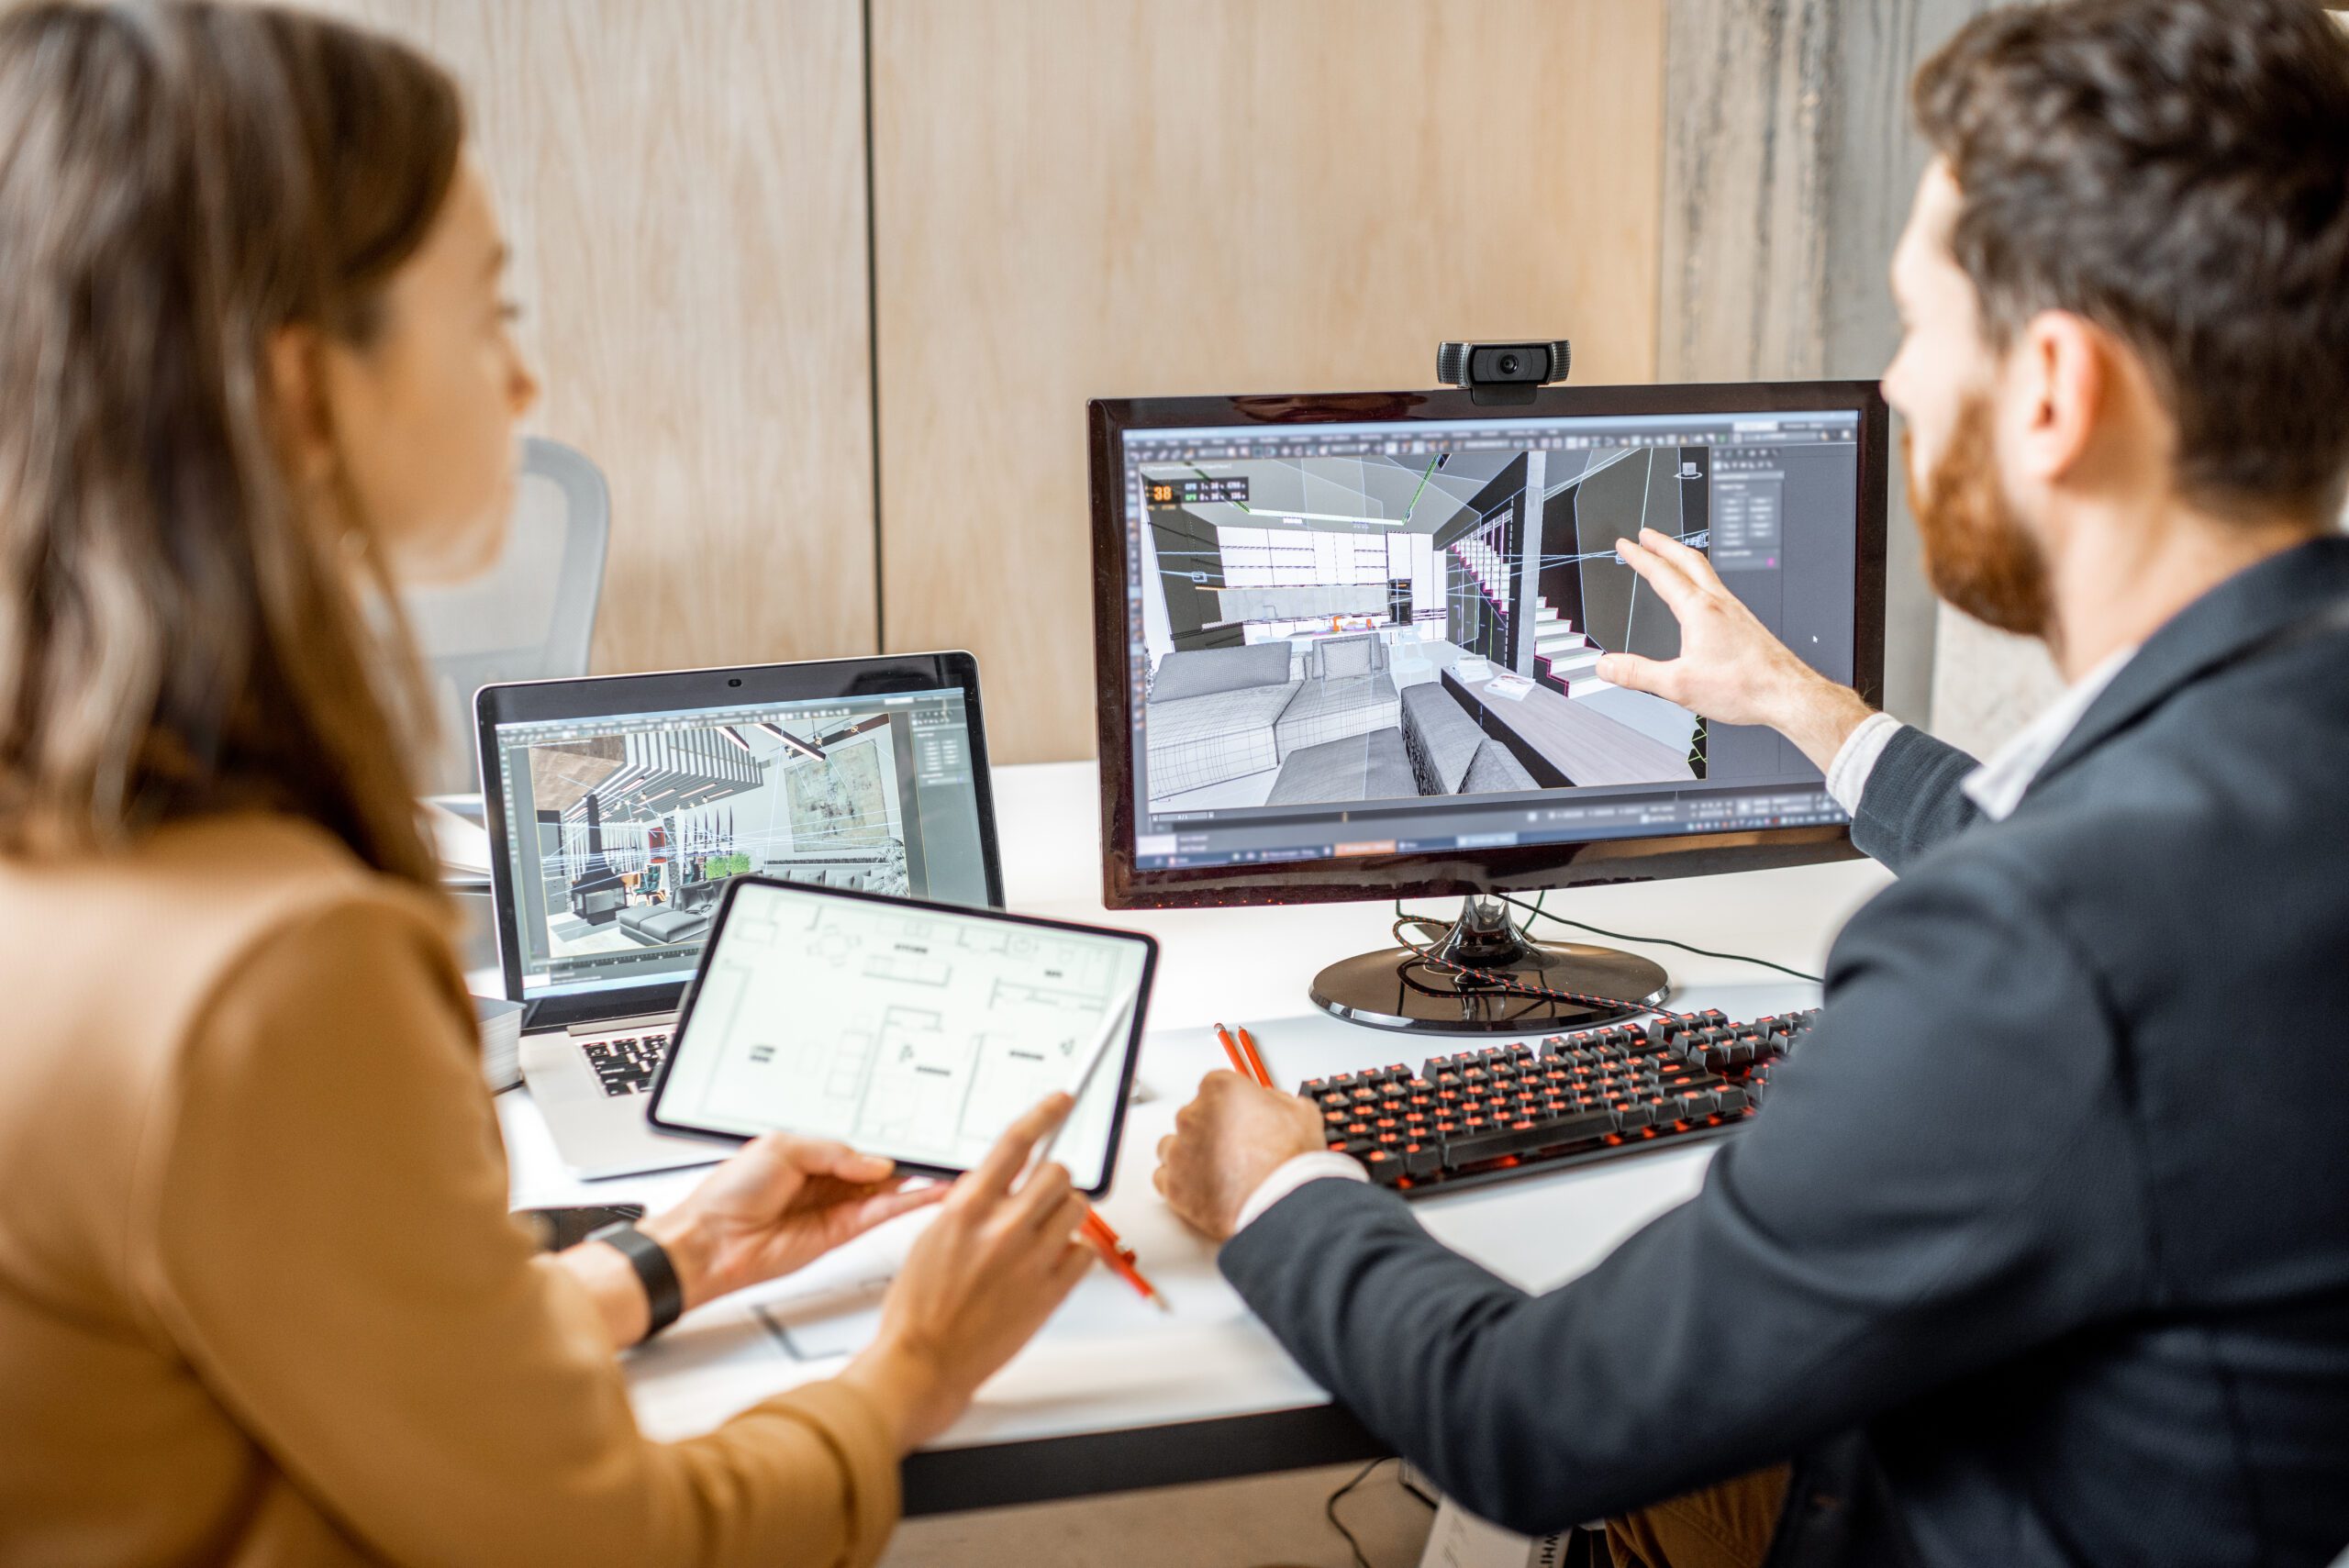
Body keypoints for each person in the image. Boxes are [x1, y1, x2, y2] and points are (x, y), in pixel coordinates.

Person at [1153, 3, 2349, 1565]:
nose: (1902, 388)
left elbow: (1529, 1419)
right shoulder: (2284, 734)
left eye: (1920, 325)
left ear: (2054, 388)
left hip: (1934, 1511)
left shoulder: (2030, 955)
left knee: (1489, 1495)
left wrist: (1284, 1188)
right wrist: (1818, 715)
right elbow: (2128, 868)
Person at [0, 5, 1093, 1564]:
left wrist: (669, 1253)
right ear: (305, 393)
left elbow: (299, 1347)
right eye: (487, 314)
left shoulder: (70, 841)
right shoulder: (277, 971)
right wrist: (909, 1369)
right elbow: (606, 1543)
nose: (522, 385)